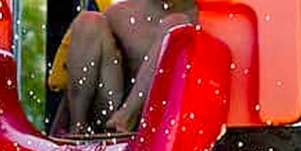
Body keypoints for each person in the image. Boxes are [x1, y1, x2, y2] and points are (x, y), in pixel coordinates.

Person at [50, 0, 200, 137]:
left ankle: (126, 118)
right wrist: (52, 138)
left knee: (177, 24)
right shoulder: (119, 14)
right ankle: (77, 128)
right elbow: (74, 86)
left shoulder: (203, 21)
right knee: (88, 21)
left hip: (157, 125)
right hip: (106, 114)